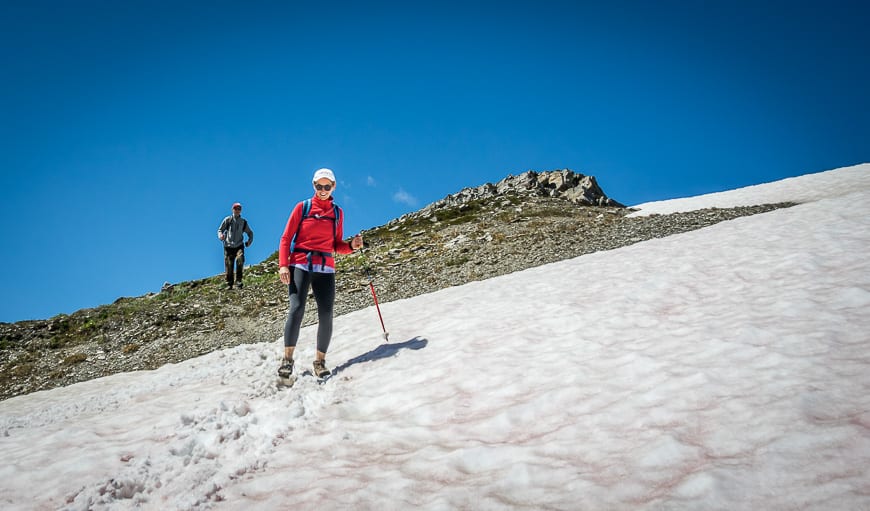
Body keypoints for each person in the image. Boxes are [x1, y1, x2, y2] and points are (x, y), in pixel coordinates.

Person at [278, 168, 363, 378]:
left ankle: (320, 362)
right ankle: (287, 360)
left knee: (326, 313)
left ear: (333, 186)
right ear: (313, 185)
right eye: (319, 186)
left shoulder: (337, 213)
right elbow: (286, 238)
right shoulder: (303, 207)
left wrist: (351, 246)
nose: (323, 190)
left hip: (325, 267)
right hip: (300, 263)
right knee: (296, 308)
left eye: (327, 186)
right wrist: (283, 265)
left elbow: (336, 244)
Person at [217, 202, 254, 289]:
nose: (237, 210)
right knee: (229, 265)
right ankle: (229, 283)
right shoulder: (228, 220)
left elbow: (250, 233)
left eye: (239, 209)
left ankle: (238, 282)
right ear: (232, 209)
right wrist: (220, 236)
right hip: (228, 246)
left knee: (240, 260)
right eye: (235, 208)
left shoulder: (243, 222)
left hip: (239, 246)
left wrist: (249, 241)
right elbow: (220, 230)